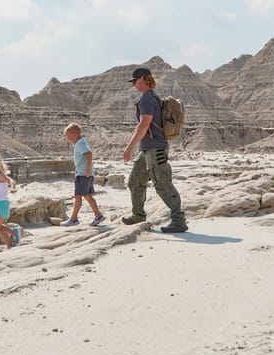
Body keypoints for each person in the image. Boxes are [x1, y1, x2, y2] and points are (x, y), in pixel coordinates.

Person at [121, 67, 188, 233]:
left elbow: (144, 124)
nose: (134, 84)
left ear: (144, 79)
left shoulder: (148, 99)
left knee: (163, 184)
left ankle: (179, 220)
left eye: (135, 81)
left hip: (155, 149)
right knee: (135, 181)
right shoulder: (150, 98)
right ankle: (138, 215)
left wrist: (129, 147)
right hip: (147, 150)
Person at [61, 123, 106, 227]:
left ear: (74, 134)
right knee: (87, 196)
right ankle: (98, 215)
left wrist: (87, 170)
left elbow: (89, 154)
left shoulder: (80, 143)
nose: (68, 139)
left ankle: (73, 219)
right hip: (84, 174)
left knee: (78, 197)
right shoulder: (81, 142)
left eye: (68, 136)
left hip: (82, 174)